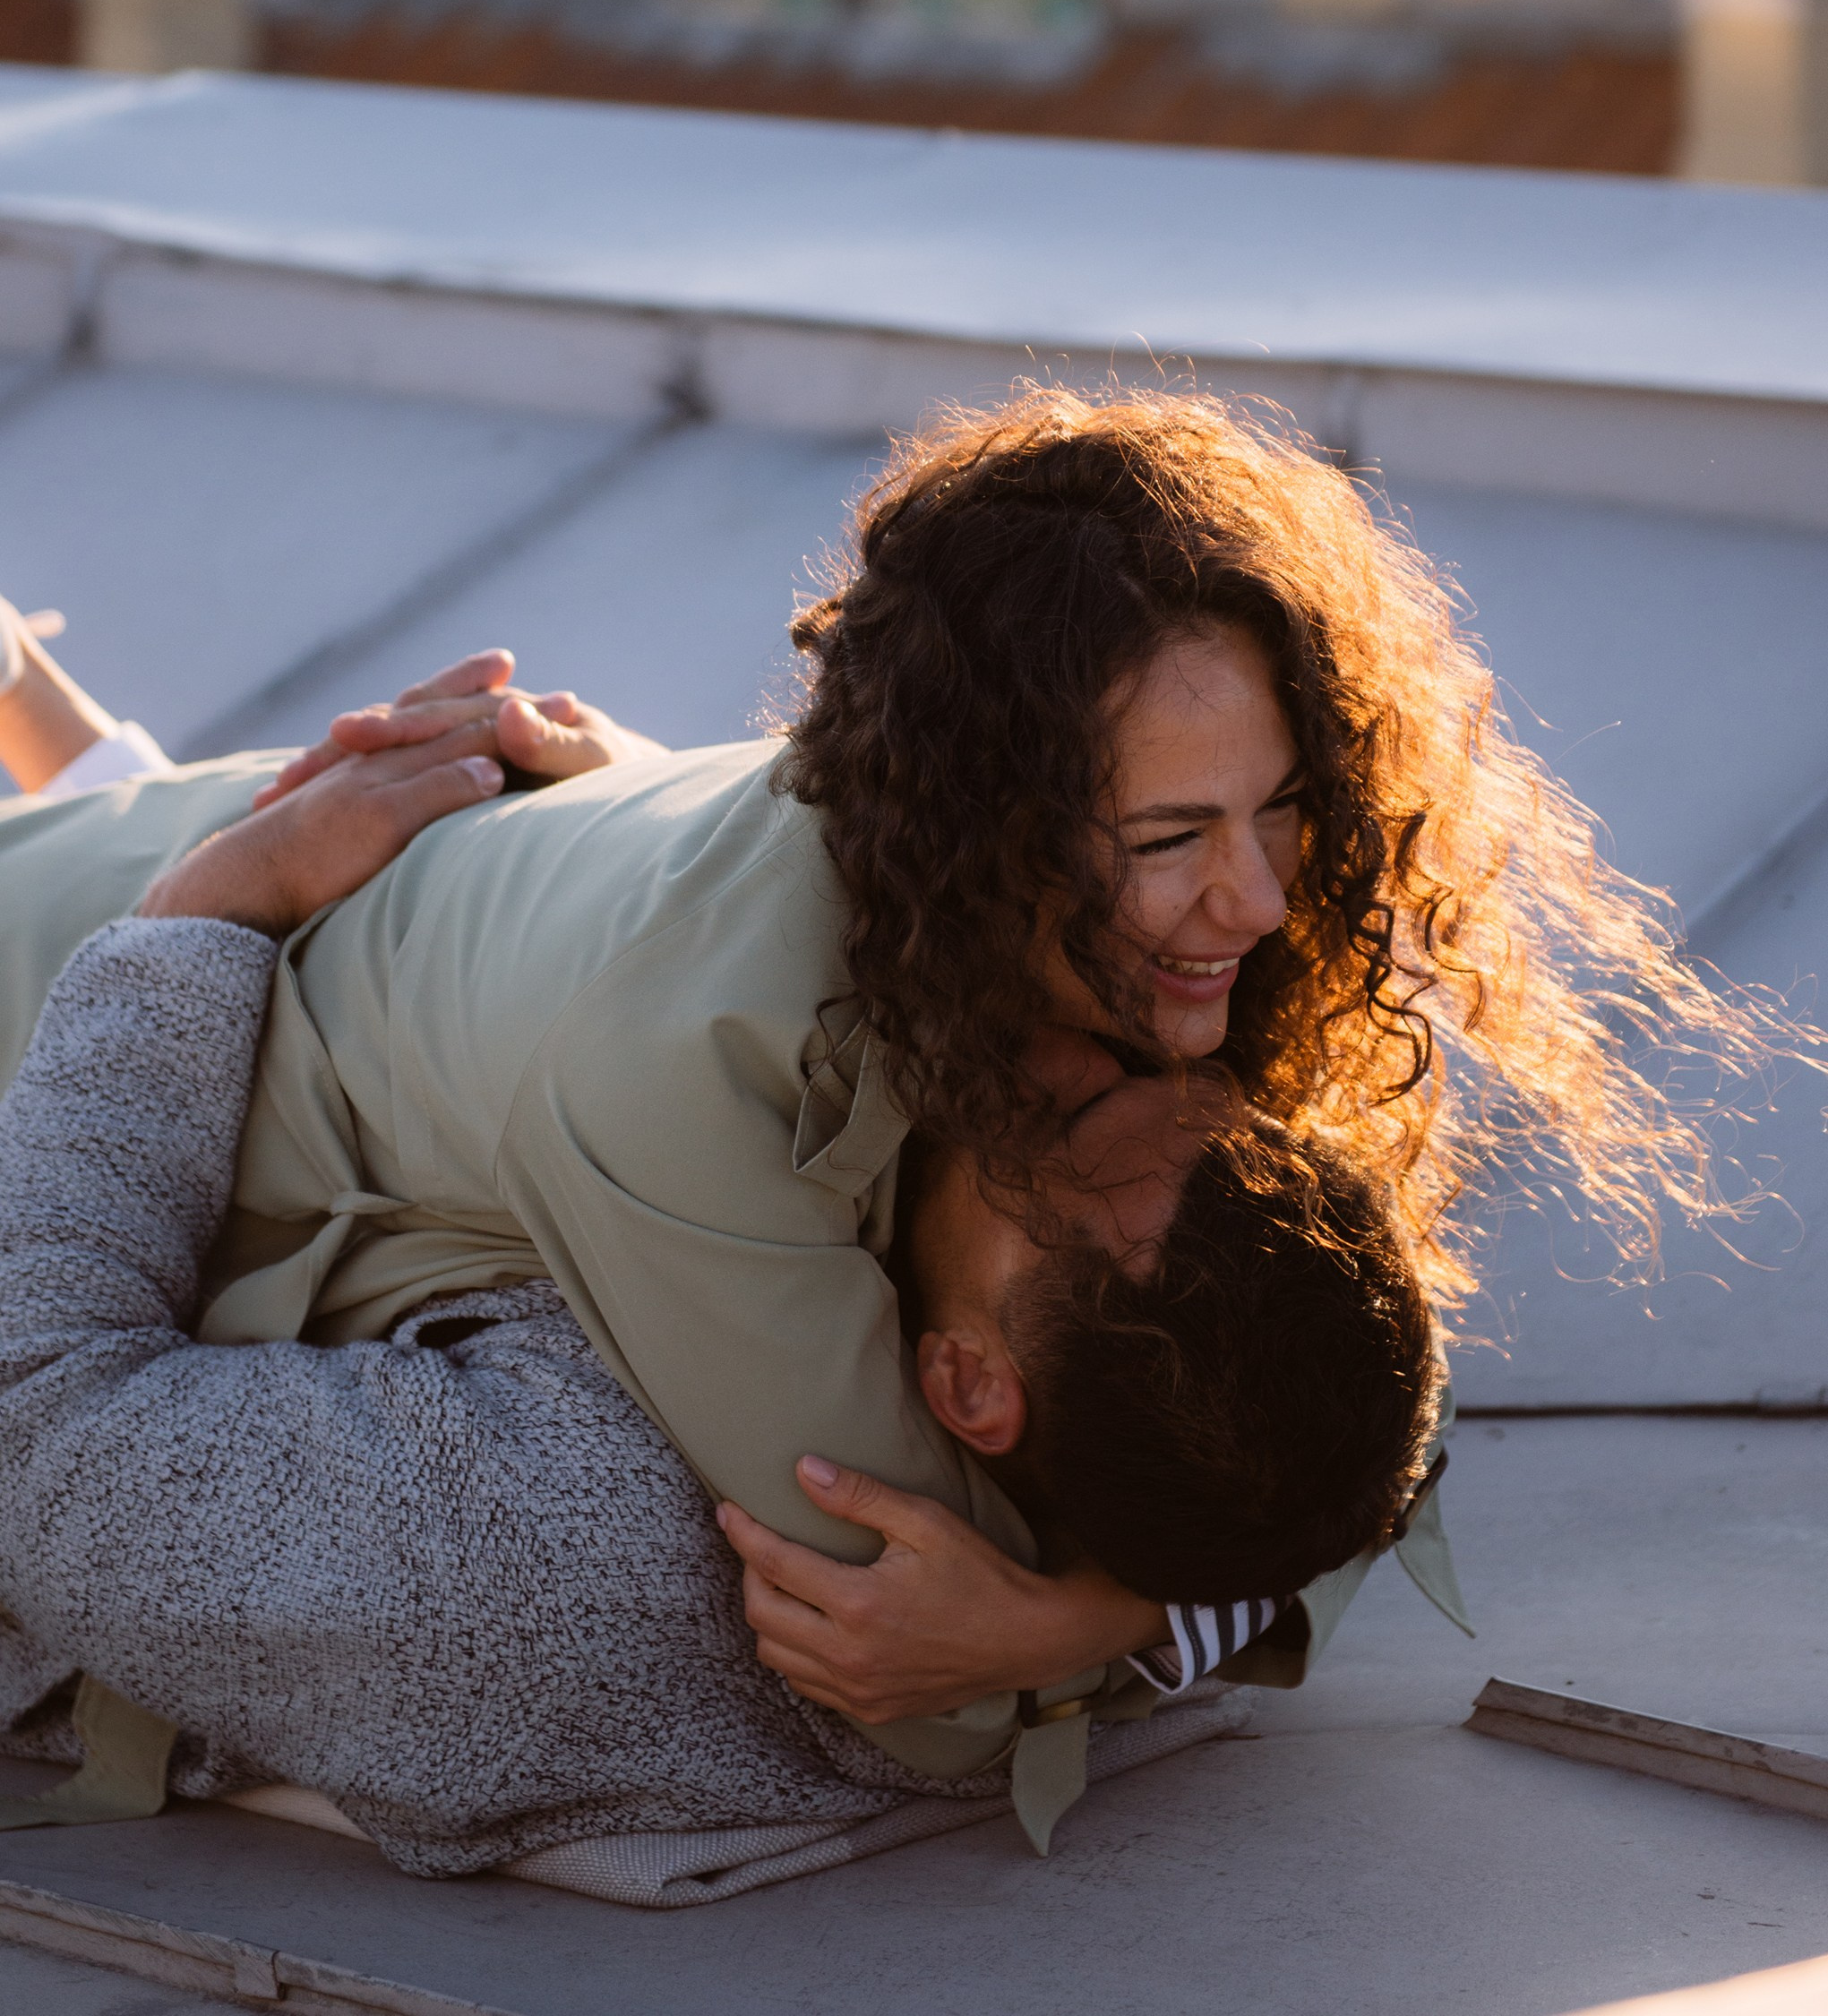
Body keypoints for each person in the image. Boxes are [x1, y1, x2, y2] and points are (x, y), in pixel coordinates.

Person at [0, 388, 1755, 1787]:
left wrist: (1087, 1607)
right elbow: (887, 1646)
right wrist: (1072, 1623)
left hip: (213, 909)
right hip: (107, 965)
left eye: (1279, 804)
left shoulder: (1080, 976)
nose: (1265, 901)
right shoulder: (701, 1076)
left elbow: (1342, 1416)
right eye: (1172, 833)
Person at [0, 746, 1437, 1874]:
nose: (1083, 1043)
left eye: (1078, 1120)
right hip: (344, 895)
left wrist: (204, 914)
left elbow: (30, 1423)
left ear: (965, 1386)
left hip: (120, 977)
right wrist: (1085, 1620)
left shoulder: (565, 1550)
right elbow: (1374, 1461)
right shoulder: (1179, 1445)